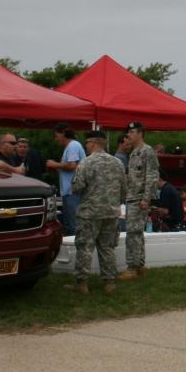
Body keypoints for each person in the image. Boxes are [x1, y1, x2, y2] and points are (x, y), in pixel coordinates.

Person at [64, 130, 128, 295]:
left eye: (87, 143)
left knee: (85, 247)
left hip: (90, 213)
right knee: (107, 248)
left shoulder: (86, 162)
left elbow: (77, 187)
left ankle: (82, 284)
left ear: (92, 143)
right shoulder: (117, 163)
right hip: (111, 212)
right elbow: (124, 189)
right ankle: (109, 283)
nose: (86, 146)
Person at [120, 121, 159, 280]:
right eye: (128, 132)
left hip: (139, 198)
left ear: (140, 133)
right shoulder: (134, 152)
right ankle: (139, 265)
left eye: (132, 132)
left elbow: (152, 176)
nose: (129, 135)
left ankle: (132, 268)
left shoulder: (147, 151)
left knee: (133, 233)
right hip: (132, 197)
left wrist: (146, 198)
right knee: (136, 233)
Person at [47, 127, 85, 236]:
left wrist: (54, 164)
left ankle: (75, 245)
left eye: (56, 136)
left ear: (63, 133)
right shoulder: (70, 146)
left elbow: (72, 165)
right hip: (69, 191)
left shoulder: (73, 145)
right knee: (69, 224)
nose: (56, 139)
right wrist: (57, 168)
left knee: (73, 225)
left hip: (73, 191)